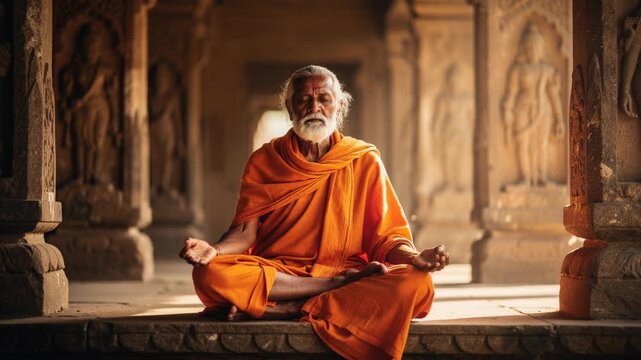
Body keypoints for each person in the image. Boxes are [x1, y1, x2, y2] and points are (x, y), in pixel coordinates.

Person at [180, 65, 450, 360]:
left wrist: (413, 258)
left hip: (342, 269)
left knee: (418, 284)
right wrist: (214, 250)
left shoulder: (363, 160)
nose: (314, 107)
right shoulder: (264, 160)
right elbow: (245, 234)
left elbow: (386, 238)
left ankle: (292, 307)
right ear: (289, 107)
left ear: (340, 105)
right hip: (283, 274)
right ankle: (328, 291)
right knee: (209, 274)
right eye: (303, 100)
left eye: (324, 99)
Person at [502, 23, 564, 187]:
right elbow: (511, 93)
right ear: (523, 49)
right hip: (522, 108)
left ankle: (541, 176)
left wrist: (559, 119)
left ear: (541, 48)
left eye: (535, 47)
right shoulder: (518, 69)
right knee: (523, 143)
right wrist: (507, 109)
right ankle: (525, 178)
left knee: (541, 143)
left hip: (543, 110)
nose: (532, 51)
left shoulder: (548, 70)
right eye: (528, 47)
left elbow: (553, 95)